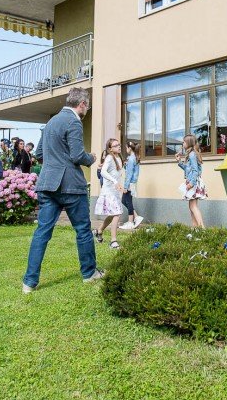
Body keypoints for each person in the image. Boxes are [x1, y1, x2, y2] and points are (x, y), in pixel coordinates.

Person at [22, 88, 104, 293]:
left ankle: (29, 283)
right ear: (82, 104)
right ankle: (89, 273)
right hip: (70, 187)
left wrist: (55, 162)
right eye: (88, 105)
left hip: (47, 184)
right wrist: (92, 157)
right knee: (83, 230)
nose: (87, 109)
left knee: (42, 232)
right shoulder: (74, 121)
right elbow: (78, 156)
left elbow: (39, 153)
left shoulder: (50, 122)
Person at [93, 138, 124, 248]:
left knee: (112, 214)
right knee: (117, 213)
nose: (119, 146)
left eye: (119, 145)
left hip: (115, 191)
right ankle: (113, 241)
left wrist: (120, 186)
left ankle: (99, 231)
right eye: (115, 146)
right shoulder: (110, 157)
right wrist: (114, 181)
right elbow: (103, 172)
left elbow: (117, 174)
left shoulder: (118, 157)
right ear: (110, 149)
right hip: (108, 191)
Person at [176, 134, 206, 228]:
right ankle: (195, 227)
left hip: (193, 182)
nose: (182, 143)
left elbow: (195, 171)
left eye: (184, 142)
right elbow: (188, 169)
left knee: (193, 207)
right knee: (192, 207)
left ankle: (202, 228)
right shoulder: (191, 154)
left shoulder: (192, 154)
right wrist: (179, 162)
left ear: (188, 143)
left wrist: (191, 184)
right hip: (193, 181)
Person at [118, 141, 144, 230]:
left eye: (126, 148)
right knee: (124, 200)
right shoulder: (134, 158)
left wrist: (125, 187)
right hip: (132, 183)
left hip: (129, 183)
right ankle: (136, 217)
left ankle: (130, 222)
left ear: (129, 148)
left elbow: (129, 174)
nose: (126, 149)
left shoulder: (131, 159)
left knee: (128, 201)